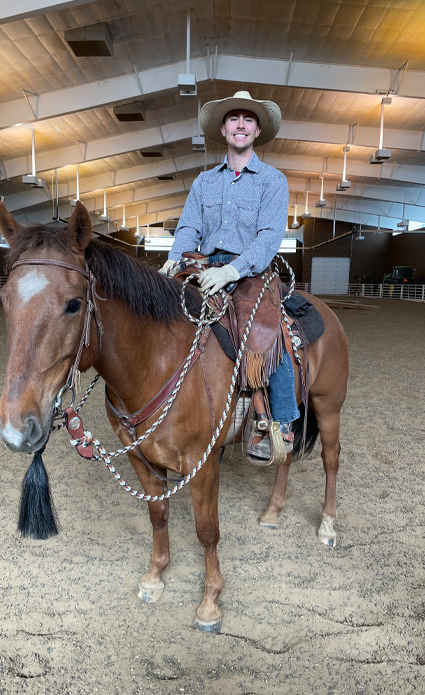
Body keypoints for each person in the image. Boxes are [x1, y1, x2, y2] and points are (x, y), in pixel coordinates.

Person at [158, 90, 296, 459]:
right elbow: (188, 227)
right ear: (223, 128)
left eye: (247, 119)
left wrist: (233, 269)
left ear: (256, 130)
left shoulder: (272, 180)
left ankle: (280, 423)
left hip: (250, 267)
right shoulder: (204, 182)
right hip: (202, 265)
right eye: (234, 118)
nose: (240, 124)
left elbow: (269, 236)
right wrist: (175, 258)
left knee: (267, 330)